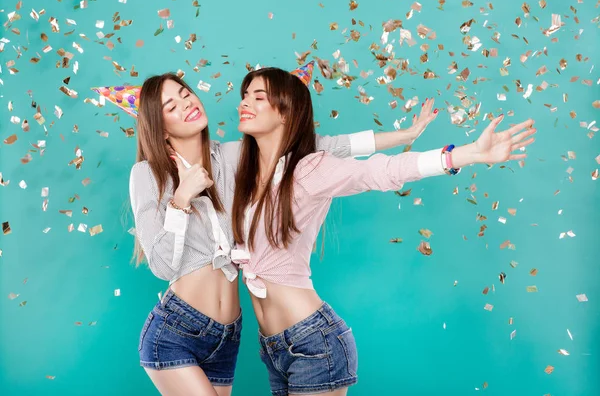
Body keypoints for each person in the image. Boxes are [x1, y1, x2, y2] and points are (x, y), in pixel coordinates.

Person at [230, 67, 536, 396]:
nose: (244, 103)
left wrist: (465, 154)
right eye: (244, 96)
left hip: (313, 343)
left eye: (258, 97)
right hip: (273, 348)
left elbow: (379, 171)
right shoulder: (246, 173)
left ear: (287, 112)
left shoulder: (309, 168)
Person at [127, 65, 428, 396]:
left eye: (185, 95)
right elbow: (162, 266)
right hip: (176, 330)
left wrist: (403, 137)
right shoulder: (147, 174)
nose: (186, 104)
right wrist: (182, 199)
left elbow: (312, 146)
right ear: (161, 128)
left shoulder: (233, 156)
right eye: (171, 107)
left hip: (227, 335)